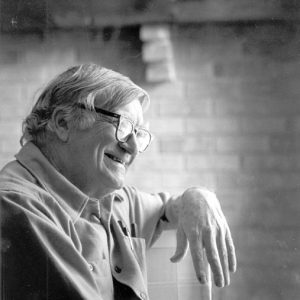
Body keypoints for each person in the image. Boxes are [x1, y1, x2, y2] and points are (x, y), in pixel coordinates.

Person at [0, 63, 236, 300]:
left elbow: (169, 208)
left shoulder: (109, 199)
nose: (133, 147)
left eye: (138, 133)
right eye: (122, 125)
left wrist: (200, 197)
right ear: (63, 123)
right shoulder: (16, 206)